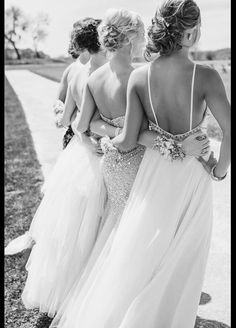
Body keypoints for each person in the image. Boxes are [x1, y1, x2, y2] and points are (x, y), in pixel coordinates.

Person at [49, 5, 216, 328]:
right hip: (140, 162)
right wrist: (175, 144)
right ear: (130, 39)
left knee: (119, 231)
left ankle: (113, 301)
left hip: (111, 165)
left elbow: (83, 126)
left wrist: (109, 131)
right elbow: (141, 133)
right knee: (144, 236)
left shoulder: (95, 77)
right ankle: (137, 307)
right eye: (140, 35)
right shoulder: (139, 75)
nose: (144, 41)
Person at [13, 18, 108, 318]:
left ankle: (70, 286)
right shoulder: (107, 74)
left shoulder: (79, 73)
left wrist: (77, 127)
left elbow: (67, 119)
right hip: (102, 152)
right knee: (97, 221)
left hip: (80, 154)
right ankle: (94, 287)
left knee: (72, 224)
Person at [54, 18, 91, 149]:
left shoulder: (99, 67)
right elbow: (60, 100)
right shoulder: (72, 70)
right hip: (80, 131)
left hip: (90, 131)